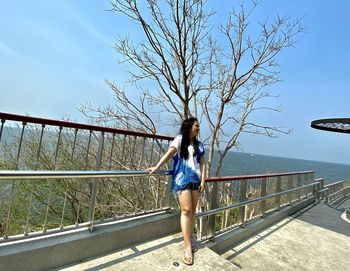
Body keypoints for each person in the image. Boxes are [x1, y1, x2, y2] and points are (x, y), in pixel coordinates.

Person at [148, 117, 206, 266]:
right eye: (196, 125)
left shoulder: (199, 145)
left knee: (193, 211)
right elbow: (169, 153)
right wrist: (157, 167)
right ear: (188, 127)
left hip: (195, 179)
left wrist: (203, 180)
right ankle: (187, 246)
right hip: (182, 178)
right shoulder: (180, 140)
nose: (198, 128)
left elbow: (203, 163)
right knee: (186, 210)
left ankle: (189, 239)